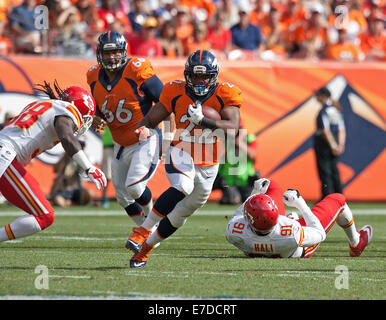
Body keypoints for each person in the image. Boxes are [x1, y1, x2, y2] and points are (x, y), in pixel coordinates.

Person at [126, 49, 242, 268]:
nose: (199, 81)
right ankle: (142, 230)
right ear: (187, 75)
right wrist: (143, 129)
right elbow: (151, 118)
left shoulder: (226, 93)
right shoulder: (175, 90)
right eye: (195, 76)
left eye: (204, 76)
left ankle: (146, 248)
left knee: (181, 214)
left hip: (209, 163)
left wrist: (204, 121)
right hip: (181, 151)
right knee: (183, 186)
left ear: (214, 75)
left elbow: (234, 129)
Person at [0, 81, 106, 242]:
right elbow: (67, 137)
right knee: (44, 215)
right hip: (6, 155)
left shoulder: (47, 105)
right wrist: (88, 167)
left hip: (6, 152)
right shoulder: (66, 111)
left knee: (45, 215)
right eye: (85, 118)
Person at [87, 30, 164, 227]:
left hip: (145, 138)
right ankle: (144, 229)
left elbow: (166, 101)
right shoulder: (93, 76)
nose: (112, 57)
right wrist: (95, 117)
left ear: (124, 52)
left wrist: (169, 138)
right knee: (122, 195)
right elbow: (102, 108)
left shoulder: (136, 70)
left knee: (135, 188)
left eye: (116, 52)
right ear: (99, 53)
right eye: (107, 53)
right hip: (120, 144)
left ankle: (151, 225)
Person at [226, 178, 373, 258]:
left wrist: (255, 192)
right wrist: (299, 203)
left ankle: (288, 213)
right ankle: (356, 243)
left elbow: (239, 215)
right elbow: (319, 233)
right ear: (276, 215)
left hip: (274, 240)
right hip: (300, 246)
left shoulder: (234, 232)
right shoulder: (293, 232)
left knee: (272, 185)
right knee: (338, 199)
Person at [313, 87, 346, 200]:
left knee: (325, 172)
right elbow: (341, 129)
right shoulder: (335, 109)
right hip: (335, 142)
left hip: (325, 145)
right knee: (334, 170)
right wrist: (340, 145)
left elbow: (325, 130)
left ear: (323, 96)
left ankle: (326, 197)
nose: (316, 97)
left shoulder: (324, 111)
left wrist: (333, 146)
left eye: (318, 94)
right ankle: (340, 196)